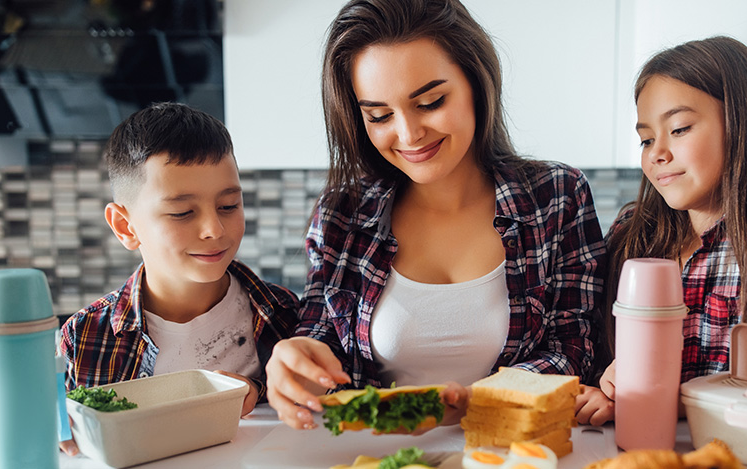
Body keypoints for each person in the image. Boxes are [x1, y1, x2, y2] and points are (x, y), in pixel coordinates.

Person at [265, 0, 607, 431]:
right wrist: (296, 360)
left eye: (430, 102)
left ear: (476, 83)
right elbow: (321, 338)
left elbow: (575, 347)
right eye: (379, 115)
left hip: (514, 451)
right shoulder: (342, 213)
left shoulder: (558, 196)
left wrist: (479, 400)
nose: (408, 135)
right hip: (380, 455)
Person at [575, 36, 747, 426]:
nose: (656, 152)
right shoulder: (634, 232)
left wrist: (650, 396)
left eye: (678, 129)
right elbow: (595, 351)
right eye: (646, 138)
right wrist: (603, 391)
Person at [59, 103, 299, 432]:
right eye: (183, 212)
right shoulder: (85, 336)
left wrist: (259, 392)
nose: (214, 229)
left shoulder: (286, 314)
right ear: (126, 227)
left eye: (228, 206)